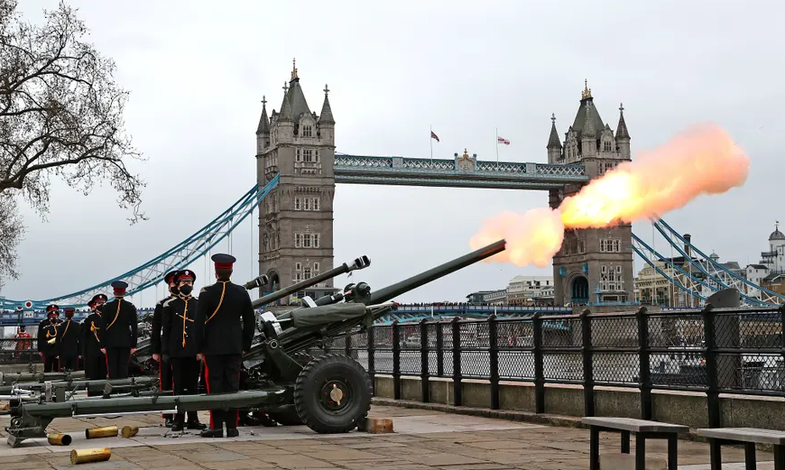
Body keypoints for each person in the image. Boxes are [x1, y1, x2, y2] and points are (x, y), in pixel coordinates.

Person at [194, 253, 255, 438]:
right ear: (231, 270)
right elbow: (250, 321)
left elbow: (198, 323)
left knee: (215, 386)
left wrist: (199, 348)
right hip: (235, 346)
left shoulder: (206, 293)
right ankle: (233, 427)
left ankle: (217, 427)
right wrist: (245, 344)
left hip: (212, 348)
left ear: (215, 271)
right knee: (232, 386)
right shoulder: (241, 292)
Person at [162, 269, 206, 431]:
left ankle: (193, 418)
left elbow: (202, 329)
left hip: (193, 352)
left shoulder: (198, 304)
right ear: (178, 285)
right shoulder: (170, 305)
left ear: (192, 285)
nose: (186, 285)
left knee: (193, 386)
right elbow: (166, 331)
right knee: (178, 386)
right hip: (177, 352)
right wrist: (165, 351)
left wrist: (201, 350)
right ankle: (178, 420)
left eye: (189, 282)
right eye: (183, 283)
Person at [151, 270, 179, 427]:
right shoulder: (162, 305)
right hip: (166, 348)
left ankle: (187, 415)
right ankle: (168, 415)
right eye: (172, 283)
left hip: (184, 349)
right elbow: (156, 329)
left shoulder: (192, 302)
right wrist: (156, 350)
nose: (174, 286)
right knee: (166, 382)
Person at [98, 281, 138, 379]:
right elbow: (134, 327)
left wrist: (102, 344)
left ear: (114, 292)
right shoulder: (130, 307)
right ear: (124, 292)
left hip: (110, 342)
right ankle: (123, 390)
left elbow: (102, 327)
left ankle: (114, 390)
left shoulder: (107, 307)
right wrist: (133, 345)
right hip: (126, 342)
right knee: (124, 367)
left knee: (112, 368)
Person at [82, 295, 108, 392]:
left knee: (104, 374)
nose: (101, 305)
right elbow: (84, 337)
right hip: (92, 351)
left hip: (105, 351)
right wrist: (84, 352)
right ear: (95, 305)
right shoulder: (90, 319)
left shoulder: (108, 317)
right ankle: (93, 394)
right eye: (99, 303)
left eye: (103, 303)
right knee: (93, 375)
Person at [37, 305, 60, 372]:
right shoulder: (44, 324)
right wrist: (40, 349)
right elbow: (40, 337)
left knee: (58, 367)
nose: (53, 317)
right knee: (47, 366)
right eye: (52, 316)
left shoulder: (61, 323)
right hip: (47, 349)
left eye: (55, 316)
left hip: (57, 349)